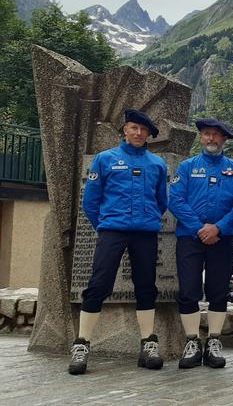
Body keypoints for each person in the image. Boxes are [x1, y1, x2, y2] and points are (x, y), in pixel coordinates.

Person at [70, 109, 169, 375]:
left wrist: (146, 219)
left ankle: (148, 343)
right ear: (124, 130)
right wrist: (105, 225)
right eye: (133, 128)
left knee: (146, 285)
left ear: (149, 134)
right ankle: (82, 344)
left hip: (145, 232)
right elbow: (91, 202)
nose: (138, 133)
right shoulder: (104, 160)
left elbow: (162, 202)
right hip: (112, 231)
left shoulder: (157, 164)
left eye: (143, 129)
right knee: (99, 283)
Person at [169, 118, 233, 369]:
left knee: (218, 291)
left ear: (224, 139)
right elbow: (176, 200)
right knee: (188, 290)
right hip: (190, 238)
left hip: (222, 238)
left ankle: (213, 341)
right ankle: (192, 342)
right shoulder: (187, 167)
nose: (211, 139)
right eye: (207, 134)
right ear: (201, 138)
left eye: (216, 135)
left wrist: (218, 227)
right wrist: (199, 228)